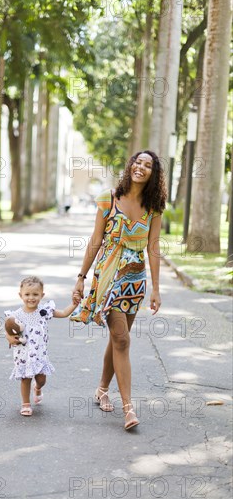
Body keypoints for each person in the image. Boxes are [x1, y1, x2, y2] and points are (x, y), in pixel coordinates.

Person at [71, 151, 167, 430]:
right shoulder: (108, 198)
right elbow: (96, 239)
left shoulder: (154, 206)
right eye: (138, 162)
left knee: (117, 340)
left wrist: (156, 290)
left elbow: (154, 247)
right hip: (109, 274)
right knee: (122, 340)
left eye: (148, 165)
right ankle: (128, 408)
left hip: (135, 279)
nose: (141, 167)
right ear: (130, 165)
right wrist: (81, 277)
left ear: (153, 173)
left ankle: (102, 389)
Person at [5, 276, 80, 416]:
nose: (31, 298)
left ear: (42, 295)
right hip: (23, 355)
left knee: (41, 379)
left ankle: (38, 388)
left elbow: (63, 313)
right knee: (25, 378)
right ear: (21, 295)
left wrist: (74, 304)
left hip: (39, 355)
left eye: (35, 294)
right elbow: (8, 331)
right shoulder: (16, 316)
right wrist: (10, 339)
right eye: (27, 294)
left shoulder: (44, 311)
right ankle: (26, 404)